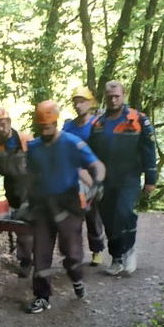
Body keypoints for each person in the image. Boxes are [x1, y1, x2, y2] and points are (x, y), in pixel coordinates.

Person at [23, 100, 105, 314]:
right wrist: (26, 202)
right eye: (41, 127)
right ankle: (42, 296)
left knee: (71, 253)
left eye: (48, 126)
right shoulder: (33, 147)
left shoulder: (72, 143)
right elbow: (31, 176)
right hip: (42, 205)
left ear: (56, 122)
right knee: (40, 252)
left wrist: (97, 183)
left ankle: (77, 279)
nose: (45, 130)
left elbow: (96, 164)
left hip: (67, 204)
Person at [87, 81, 157, 276]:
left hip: (129, 177)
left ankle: (129, 249)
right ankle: (116, 257)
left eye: (117, 95)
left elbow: (149, 149)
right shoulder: (98, 123)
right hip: (105, 180)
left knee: (124, 213)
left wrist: (151, 178)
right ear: (105, 97)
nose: (113, 99)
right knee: (109, 219)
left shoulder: (138, 119)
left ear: (123, 95)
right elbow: (90, 153)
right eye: (109, 96)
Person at [62, 86, 108, 266]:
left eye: (82, 101)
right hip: (73, 175)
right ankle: (74, 252)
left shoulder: (97, 124)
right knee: (73, 215)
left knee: (92, 213)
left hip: (91, 175)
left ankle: (97, 249)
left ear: (90, 103)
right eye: (76, 102)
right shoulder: (68, 126)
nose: (79, 105)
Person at [0, 107, 34, 278]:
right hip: (11, 189)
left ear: (9, 122)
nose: (1, 127)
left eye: (3, 123)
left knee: (25, 225)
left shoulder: (25, 140)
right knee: (19, 226)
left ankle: (26, 260)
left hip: (29, 187)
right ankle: (29, 255)